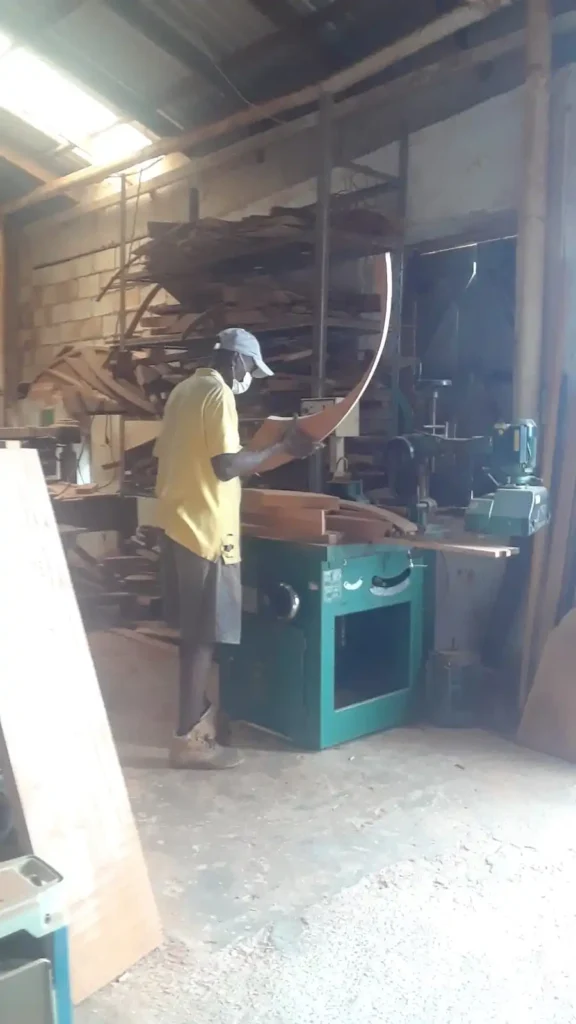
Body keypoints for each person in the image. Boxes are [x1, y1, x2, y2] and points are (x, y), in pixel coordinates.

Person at [154, 328, 319, 769]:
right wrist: (283, 447)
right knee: (203, 639)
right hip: (206, 533)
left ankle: (201, 719)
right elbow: (226, 466)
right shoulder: (219, 394)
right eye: (249, 369)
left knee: (194, 636)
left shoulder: (183, 391)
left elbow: (192, 459)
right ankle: (188, 739)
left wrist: (259, 455)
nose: (249, 379)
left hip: (176, 524)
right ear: (235, 361)